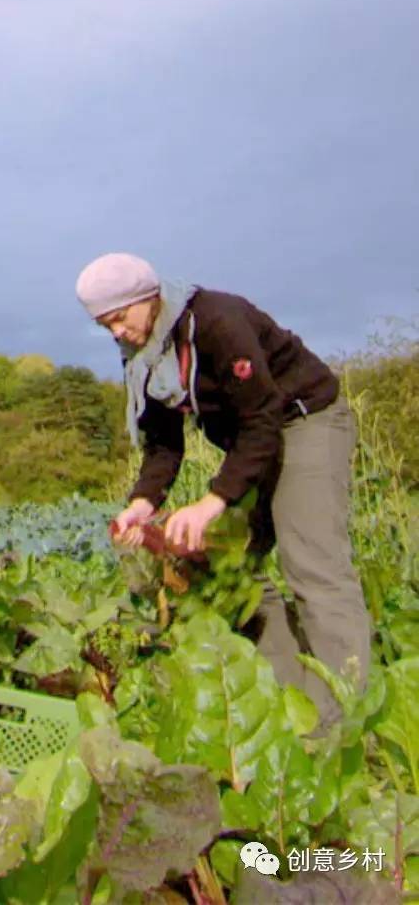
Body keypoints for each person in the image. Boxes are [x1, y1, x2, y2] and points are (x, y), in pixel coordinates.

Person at [76, 252, 370, 730]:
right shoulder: (144, 351)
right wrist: (142, 504)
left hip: (304, 421)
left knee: (312, 563)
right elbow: (164, 443)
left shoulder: (217, 321)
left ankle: (346, 721)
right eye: (104, 324)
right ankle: (294, 703)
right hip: (250, 443)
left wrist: (213, 502)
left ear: (148, 296)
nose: (116, 332)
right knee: (227, 567)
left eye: (120, 317)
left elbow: (263, 418)